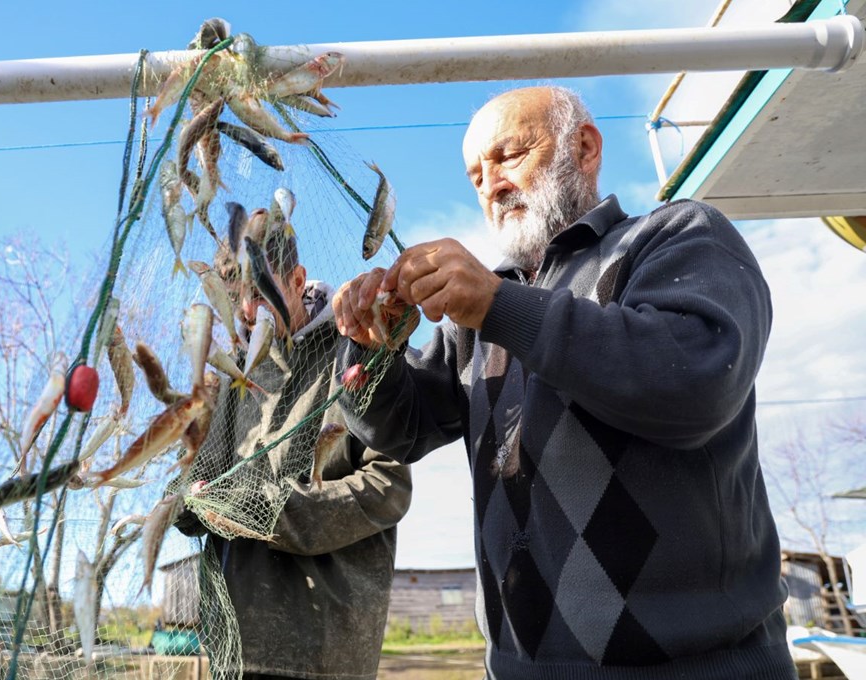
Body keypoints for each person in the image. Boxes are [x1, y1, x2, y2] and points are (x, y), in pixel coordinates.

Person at [332, 86, 793, 679]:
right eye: (476, 177)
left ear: (585, 146)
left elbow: (695, 382)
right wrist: (370, 354)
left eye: (509, 155)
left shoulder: (677, 235)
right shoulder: (479, 317)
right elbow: (401, 429)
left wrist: (500, 305)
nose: (492, 186)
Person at [176, 222, 413, 680]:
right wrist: (184, 499)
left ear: (299, 280)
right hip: (236, 652)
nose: (247, 311)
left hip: (323, 652)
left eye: (260, 293)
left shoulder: (357, 350)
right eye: (235, 297)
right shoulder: (232, 379)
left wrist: (265, 510)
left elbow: (388, 485)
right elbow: (198, 476)